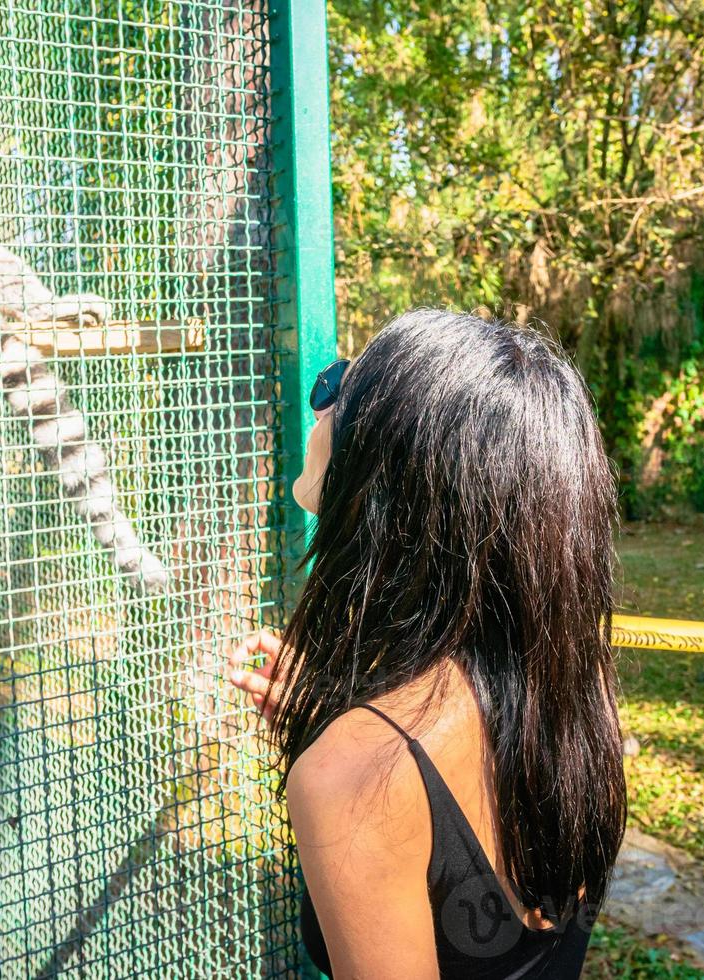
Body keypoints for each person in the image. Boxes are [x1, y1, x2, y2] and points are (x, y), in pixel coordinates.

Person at [227, 308, 627, 979]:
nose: (319, 404)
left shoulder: (353, 777)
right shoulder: (577, 701)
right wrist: (341, 721)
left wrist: (348, 758)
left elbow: (394, 796)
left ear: (392, 461)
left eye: (339, 388)